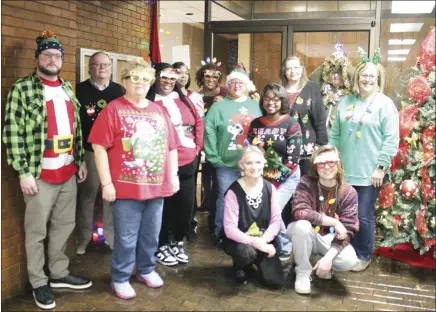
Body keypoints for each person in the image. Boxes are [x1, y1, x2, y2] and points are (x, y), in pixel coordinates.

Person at [2, 31, 92, 310]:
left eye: (56, 56)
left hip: (67, 172)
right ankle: (39, 281)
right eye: (47, 55)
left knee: (64, 226)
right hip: (39, 175)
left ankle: (59, 274)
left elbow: (75, 129)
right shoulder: (23, 88)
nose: (52, 59)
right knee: (36, 231)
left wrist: (80, 162)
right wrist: (23, 172)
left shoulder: (66, 88)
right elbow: (12, 132)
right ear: (37, 58)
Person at [88, 59, 180, 299]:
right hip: (125, 189)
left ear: (151, 82)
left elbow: (171, 147)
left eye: (145, 79)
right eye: (134, 78)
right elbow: (99, 147)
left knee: (151, 234)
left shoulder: (158, 110)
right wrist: (106, 183)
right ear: (125, 81)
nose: (140, 83)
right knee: (126, 238)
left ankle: (146, 269)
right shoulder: (113, 109)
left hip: (156, 187)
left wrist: (173, 175)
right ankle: (120, 276)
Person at [329, 48, 399, 272]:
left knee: (363, 214)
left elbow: (391, 139)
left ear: (378, 79)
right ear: (357, 78)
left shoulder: (385, 104)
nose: (367, 79)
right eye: (364, 75)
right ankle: (346, 249)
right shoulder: (346, 101)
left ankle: (363, 254)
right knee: (345, 213)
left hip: (370, 173)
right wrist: (333, 159)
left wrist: (380, 167)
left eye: (372, 75)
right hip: (345, 170)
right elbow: (335, 135)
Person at [147, 63, 204, 266]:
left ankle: (177, 241)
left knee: (185, 205)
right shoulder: (149, 102)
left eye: (172, 78)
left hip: (188, 160)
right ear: (155, 78)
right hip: (162, 163)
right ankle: (161, 244)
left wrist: (197, 148)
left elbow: (199, 122)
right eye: (164, 77)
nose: (169, 82)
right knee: (163, 206)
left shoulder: (186, 100)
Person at [288, 145, 359, 295]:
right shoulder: (306, 183)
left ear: (338, 164)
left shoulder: (348, 192)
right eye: (321, 163)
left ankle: (324, 263)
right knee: (302, 226)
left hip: (329, 239)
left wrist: (328, 258)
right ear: (315, 165)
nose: (327, 167)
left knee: (350, 260)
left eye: (331, 162)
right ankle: (303, 272)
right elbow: (299, 211)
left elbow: (350, 228)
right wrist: (334, 222)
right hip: (307, 235)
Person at [204, 62, 262, 239]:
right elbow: (209, 132)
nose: (237, 86)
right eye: (233, 82)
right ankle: (222, 231)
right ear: (228, 84)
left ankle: (249, 229)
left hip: (252, 165)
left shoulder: (257, 105)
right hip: (226, 164)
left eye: (241, 82)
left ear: (247, 85)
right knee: (225, 197)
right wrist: (214, 158)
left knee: (252, 197)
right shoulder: (218, 107)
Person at [76, 51, 124, 254]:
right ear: (90, 68)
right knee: (86, 197)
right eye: (96, 64)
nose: (101, 68)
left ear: (111, 68)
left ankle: (111, 239)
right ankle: (83, 239)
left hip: (112, 152)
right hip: (88, 151)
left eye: (105, 65)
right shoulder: (79, 90)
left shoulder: (119, 91)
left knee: (110, 197)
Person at [248, 83, 302, 261]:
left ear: (283, 101)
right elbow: (250, 151)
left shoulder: (291, 124)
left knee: (273, 209)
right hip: (262, 178)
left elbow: (294, 158)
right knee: (266, 211)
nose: (271, 102)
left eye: (275, 99)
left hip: (287, 177)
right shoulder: (255, 124)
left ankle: (285, 247)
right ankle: (271, 245)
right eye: (267, 98)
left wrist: (276, 181)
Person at [222, 146, 284, 289]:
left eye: (257, 162)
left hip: (263, 239)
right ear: (241, 165)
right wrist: (256, 243)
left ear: (264, 163)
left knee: (275, 282)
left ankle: (256, 261)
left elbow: (276, 222)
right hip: (240, 241)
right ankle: (241, 265)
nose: (254, 167)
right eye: (249, 163)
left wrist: (263, 241)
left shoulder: (270, 188)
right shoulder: (233, 192)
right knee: (246, 253)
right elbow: (230, 229)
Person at [280, 56, 328, 176]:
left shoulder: (312, 88)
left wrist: (320, 145)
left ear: (302, 69)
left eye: (296, 67)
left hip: (307, 150)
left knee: (306, 187)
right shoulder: (279, 90)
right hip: (283, 149)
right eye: (289, 68)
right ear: (284, 71)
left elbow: (320, 118)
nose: (293, 71)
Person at [195, 59, 228, 233]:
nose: (210, 79)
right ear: (202, 77)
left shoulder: (225, 94)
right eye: (207, 75)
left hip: (220, 146)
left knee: (219, 184)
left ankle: (217, 222)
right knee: (206, 183)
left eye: (214, 76)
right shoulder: (196, 97)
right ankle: (207, 217)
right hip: (201, 145)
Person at [173, 61, 204, 242]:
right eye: (178, 72)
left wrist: (199, 147)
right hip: (173, 150)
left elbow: (200, 122)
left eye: (186, 72)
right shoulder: (167, 97)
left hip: (192, 149)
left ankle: (189, 224)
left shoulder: (196, 97)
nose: (183, 76)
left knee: (189, 189)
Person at [309, 42, 354, 130]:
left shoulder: (350, 94)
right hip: (321, 136)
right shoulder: (324, 90)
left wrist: (345, 63)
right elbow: (314, 77)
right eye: (333, 73)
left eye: (340, 73)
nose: (335, 75)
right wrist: (328, 62)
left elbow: (354, 76)